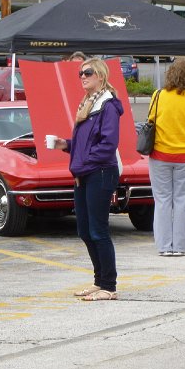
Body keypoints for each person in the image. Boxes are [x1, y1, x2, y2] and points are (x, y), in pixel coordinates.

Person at [52, 57, 122, 301]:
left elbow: (107, 145)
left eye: (88, 72)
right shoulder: (88, 103)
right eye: (80, 73)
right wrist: (66, 145)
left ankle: (109, 286)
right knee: (84, 229)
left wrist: (83, 162)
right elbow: (85, 143)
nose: (83, 76)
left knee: (98, 230)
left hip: (100, 171)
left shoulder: (108, 105)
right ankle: (99, 280)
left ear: (100, 76)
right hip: (85, 172)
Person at [147, 59, 185, 257]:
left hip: (161, 154)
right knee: (183, 201)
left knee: (162, 200)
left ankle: (164, 246)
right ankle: (179, 246)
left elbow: (150, 120)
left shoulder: (159, 95)